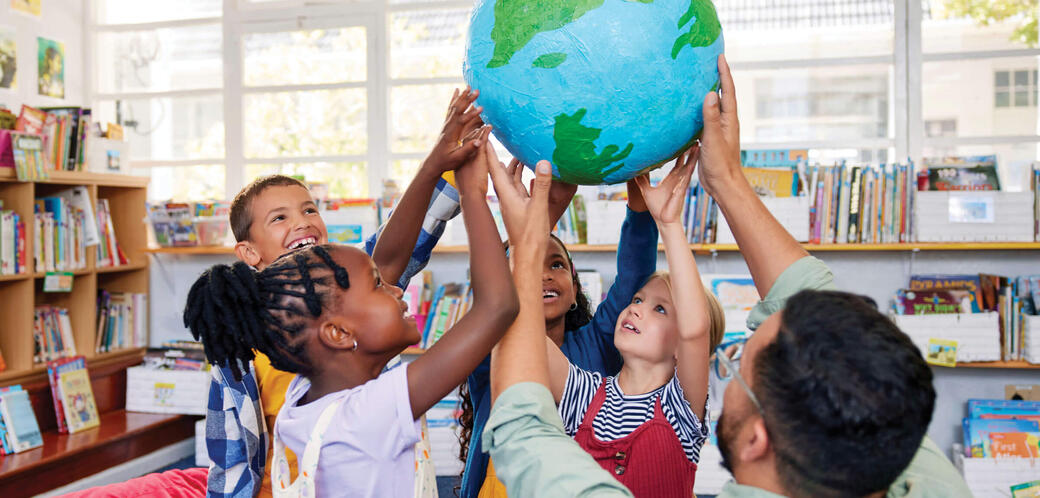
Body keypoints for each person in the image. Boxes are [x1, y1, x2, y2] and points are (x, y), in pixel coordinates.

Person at [477, 54, 973, 498]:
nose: (724, 366)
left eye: (737, 363)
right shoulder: (899, 454)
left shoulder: (674, 401)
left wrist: (526, 245)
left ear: (758, 439)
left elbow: (524, 422)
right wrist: (725, 182)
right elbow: (817, 310)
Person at [184, 132, 521, 497]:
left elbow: (394, 250)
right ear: (338, 332)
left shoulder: (308, 387)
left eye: (310, 209)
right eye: (279, 218)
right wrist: (473, 194)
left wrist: (442, 169)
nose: (302, 222)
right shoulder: (367, 407)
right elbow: (231, 462)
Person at [536, 147, 724, 497]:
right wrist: (532, 224)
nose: (636, 309)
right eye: (637, 300)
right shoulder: (584, 394)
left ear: (681, 346)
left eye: (660, 309)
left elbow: (695, 329)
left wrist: (668, 224)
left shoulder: (681, 406)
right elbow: (518, 320)